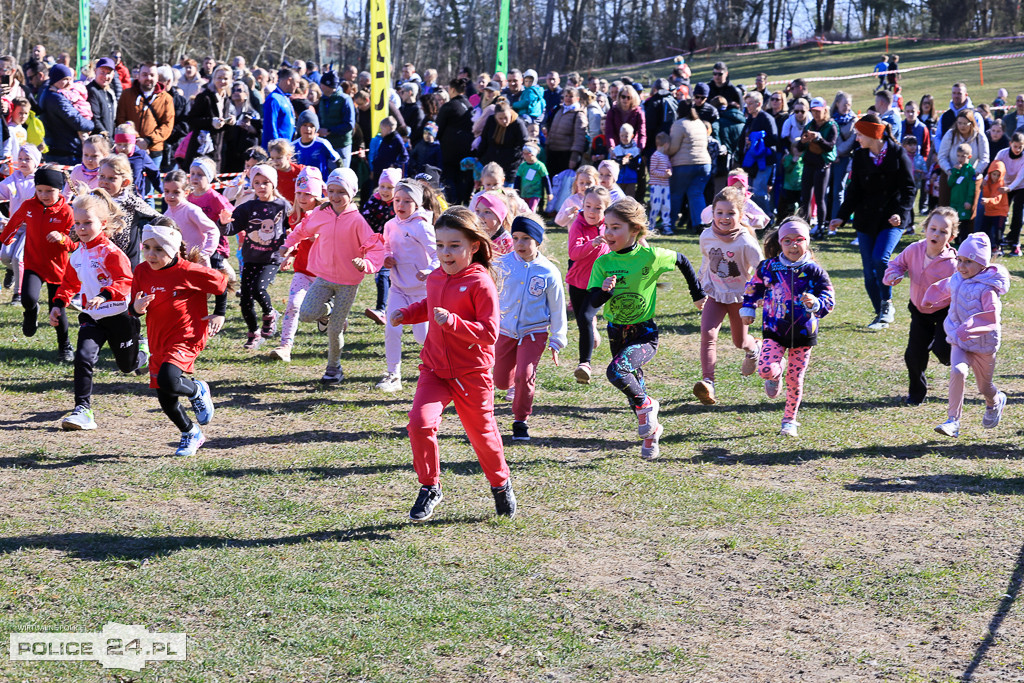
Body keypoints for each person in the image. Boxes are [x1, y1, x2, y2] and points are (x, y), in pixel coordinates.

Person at [391, 206, 517, 521]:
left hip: (471, 374)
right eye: (440, 245)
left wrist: (454, 323)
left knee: (482, 436)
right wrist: (406, 314)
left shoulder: (480, 282)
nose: (445, 253)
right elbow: (431, 305)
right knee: (419, 423)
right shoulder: (436, 277)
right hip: (434, 369)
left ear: (473, 246)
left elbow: (489, 333)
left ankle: (500, 485)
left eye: (454, 246)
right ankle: (429, 486)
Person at [586, 197, 705, 459]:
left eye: (616, 227)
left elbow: (683, 260)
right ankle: (652, 434)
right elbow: (592, 302)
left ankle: (648, 405)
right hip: (616, 331)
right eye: (606, 227)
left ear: (635, 230)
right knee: (633, 388)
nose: (608, 232)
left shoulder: (651, 256)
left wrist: (697, 293)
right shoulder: (602, 263)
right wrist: (604, 292)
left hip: (644, 333)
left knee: (617, 372)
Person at [51, 188, 148, 430]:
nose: (81, 228)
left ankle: (143, 352)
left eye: (88, 223)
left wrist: (103, 295)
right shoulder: (77, 254)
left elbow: (125, 280)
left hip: (119, 316)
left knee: (128, 366)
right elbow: (69, 283)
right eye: (78, 223)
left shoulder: (111, 252)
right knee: (83, 358)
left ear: (103, 224)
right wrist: (58, 304)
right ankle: (83, 410)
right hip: (92, 318)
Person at [131, 220, 227, 456]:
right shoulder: (142, 271)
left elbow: (221, 283)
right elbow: (133, 308)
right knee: (166, 397)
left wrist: (220, 314)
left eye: (159, 249)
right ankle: (190, 432)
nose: (151, 255)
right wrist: (137, 307)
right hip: (158, 339)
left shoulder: (187, 271)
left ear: (172, 250)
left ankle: (197, 390)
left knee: (169, 379)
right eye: (147, 247)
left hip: (187, 335)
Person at [279, 168, 384, 383]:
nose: (335, 197)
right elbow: (302, 229)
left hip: (348, 283)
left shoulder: (357, 221)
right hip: (324, 277)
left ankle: (334, 369)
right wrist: (288, 244)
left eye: (341, 192)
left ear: (352, 193)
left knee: (335, 330)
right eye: (332, 191)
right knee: (307, 314)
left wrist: (366, 264)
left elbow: (375, 247)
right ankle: (328, 310)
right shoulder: (321, 213)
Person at [740, 218, 835, 437]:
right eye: (788, 240)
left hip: (804, 334)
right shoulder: (769, 267)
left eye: (799, 240)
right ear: (780, 242)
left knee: (795, 379)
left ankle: (789, 420)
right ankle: (776, 371)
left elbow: (829, 299)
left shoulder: (814, 271)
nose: (794, 245)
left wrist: (816, 303)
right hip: (774, 331)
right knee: (766, 370)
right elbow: (752, 288)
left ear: (807, 242)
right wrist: (748, 308)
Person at [830, 114, 915, 331]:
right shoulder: (859, 156)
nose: (857, 139)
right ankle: (881, 313)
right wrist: (841, 215)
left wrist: (900, 212)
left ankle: (887, 305)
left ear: (872, 134)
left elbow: (908, 189)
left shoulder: (897, 153)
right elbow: (854, 191)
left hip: (891, 219)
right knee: (869, 274)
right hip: (866, 220)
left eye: (859, 134)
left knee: (881, 258)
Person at [493, 215, 567, 441]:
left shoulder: (548, 271)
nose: (520, 244)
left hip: (533, 332)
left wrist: (557, 338)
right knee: (500, 381)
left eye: (526, 239)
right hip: (504, 330)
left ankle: (520, 420)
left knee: (525, 376)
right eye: (515, 238)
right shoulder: (501, 265)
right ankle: (512, 377)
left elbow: (557, 307)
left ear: (538, 241)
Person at [927, 233, 1008, 438]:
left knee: (984, 387)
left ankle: (995, 401)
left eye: (968, 262)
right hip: (959, 339)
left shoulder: (988, 289)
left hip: (983, 345)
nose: (962, 266)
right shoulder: (957, 278)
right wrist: (929, 297)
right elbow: (944, 287)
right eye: (960, 260)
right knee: (958, 371)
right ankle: (952, 421)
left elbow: (991, 318)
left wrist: (971, 326)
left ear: (982, 264)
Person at [692, 187, 764, 406]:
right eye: (720, 212)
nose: (724, 217)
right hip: (715, 294)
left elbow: (762, 270)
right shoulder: (706, 236)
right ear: (713, 213)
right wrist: (702, 286)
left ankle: (754, 350)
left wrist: (759, 294)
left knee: (739, 341)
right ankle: (708, 383)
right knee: (707, 333)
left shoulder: (745, 242)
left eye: (730, 213)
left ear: (741, 217)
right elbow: (706, 262)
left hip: (740, 298)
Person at [883, 207, 957, 406]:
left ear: (951, 236)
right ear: (925, 229)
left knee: (942, 350)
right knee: (913, 354)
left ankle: (949, 353)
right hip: (919, 310)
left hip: (944, 312)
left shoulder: (953, 263)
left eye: (943, 231)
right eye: (933, 228)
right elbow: (897, 264)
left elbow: (961, 286)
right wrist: (892, 275)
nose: (937, 234)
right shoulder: (914, 249)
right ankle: (916, 393)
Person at [0, 166, 75, 361]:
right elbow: (14, 222)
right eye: (40, 190)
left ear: (60, 190)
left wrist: (62, 238)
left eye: (49, 191)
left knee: (57, 310)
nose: (44, 195)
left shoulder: (67, 211)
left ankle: (64, 347)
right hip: (34, 264)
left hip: (58, 268)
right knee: (28, 298)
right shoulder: (29, 205)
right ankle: (31, 313)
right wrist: (5, 239)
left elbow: (75, 242)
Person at [376, 179, 438, 392]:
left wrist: (429, 271)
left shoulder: (422, 226)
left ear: (418, 204)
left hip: (421, 293)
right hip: (398, 288)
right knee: (392, 328)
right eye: (397, 200)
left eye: (407, 201)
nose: (400, 205)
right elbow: (386, 245)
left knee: (422, 337)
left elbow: (437, 254)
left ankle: (441, 367)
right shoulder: (390, 225)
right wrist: (387, 257)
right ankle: (394, 375)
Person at [220, 163, 290, 350]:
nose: (260, 186)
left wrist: (291, 251)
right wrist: (224, 223)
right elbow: (232, 228)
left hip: (271, 258)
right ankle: (254, 333)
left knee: (259, 288)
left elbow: (292, 229)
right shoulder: (248, 207)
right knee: (245, 300)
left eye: (265, 182)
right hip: (250, 257)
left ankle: (270, 313)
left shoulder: (283, 206)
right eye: (256, 182)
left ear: (273, 184)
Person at [271, 169, 327, 362]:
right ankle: (285, 346)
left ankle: (327, 313)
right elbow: (296, 239)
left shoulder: (327, 215)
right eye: (299, 193)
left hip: (325, 275)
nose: (302, 198)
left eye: (308, 194)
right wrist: (290, 254)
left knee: (328, 315)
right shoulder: (294, 216)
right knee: (294, 306)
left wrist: (318, 237)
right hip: (303, 271)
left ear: (317, 195)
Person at [566, 186, 611, 383]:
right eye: (588, 206)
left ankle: (584, 365)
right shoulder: (578, 225)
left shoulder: (610, 226)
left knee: (585, 317)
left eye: (598, 208)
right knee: (583, 320)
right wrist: (591, 244)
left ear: (606, 210)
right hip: (577, 282)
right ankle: (593, 330)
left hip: (599, 284)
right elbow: (573, 254)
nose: (592, 212)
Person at [0, 144, 42, 303]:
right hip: (14, 225)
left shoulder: (40, 180)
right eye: (20, 159)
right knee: (4, 256)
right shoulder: (14, 177)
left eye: (28, 159)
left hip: (32, 227)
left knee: (19, 258)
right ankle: (11, 271)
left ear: (36, 162)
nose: (23, 162)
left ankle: (18, 294)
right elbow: (2, 191)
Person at [360, 167, 401, 324]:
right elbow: (363, 221)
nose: (385, 191)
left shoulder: (399, 202)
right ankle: (383, 309)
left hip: (397, 245)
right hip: (379, 246)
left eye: (390, 187)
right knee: (383, 276)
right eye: (383, 186)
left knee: (387, 277)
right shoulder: (374, 200)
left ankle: (383, 309)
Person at [115, 63, 174, 168]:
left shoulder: (166, 98)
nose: (148, 78)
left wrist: (148, 141)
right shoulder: (127, 95)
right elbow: (121, 119)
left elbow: (167, 125)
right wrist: (135, 140)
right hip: (128, 149)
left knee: (150, 183)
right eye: (145, 74)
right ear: (139, 76)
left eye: (152, 75)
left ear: (157, 77)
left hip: (154, 150)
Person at [666, 99, 712, 232]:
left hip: (683, 165)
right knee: (696, 193)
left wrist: (665, 153)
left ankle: (670, 223)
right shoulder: (700, 123)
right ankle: (700, 223)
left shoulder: (679, 124)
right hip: (704, 163)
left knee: (676, 194)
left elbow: (674, 147)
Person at [796, 97, 837, 237]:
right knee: (805, 196)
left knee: (820, 197)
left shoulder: (831, 125)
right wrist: (803, 141)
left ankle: (820, 226)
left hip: (822, 164)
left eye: (818, 111)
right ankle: (804, 226)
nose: (815, 114)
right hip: (809, 163)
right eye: (813, 111)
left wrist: (818, 138)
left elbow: (830, 146)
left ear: (825, 110)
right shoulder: (809, 125)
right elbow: (800, 147)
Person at [39, 64, 96, 164]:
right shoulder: (56, 98)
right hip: (65, 152)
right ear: (56, 79)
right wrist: (91, 125)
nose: (69, 83)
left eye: (70, 79)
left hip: (62, 150)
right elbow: (77, 122)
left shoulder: (53, 93)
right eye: (65, 79)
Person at [162, 170, 219, 267]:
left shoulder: (191, 210)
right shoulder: (166, 214)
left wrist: (205, 253)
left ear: (186, 192)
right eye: (167, 191)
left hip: (197, 264)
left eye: (176, 192)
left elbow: (213, 230)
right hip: (177, 264)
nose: (170, 196)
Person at [436, 78, 474, 204]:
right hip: (467, 149)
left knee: (450, 178)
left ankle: (453, 204)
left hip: (450, 150)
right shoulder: (469, 105)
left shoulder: (449, 106)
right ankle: (462, 202)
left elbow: (438, 128)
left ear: (452, 89)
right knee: (463, 178)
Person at [740, 92, 778, 214]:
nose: (748, 106)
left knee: (759, 191)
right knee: (751, 192)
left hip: (764, 161)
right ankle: (756, 220)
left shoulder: (766, 118)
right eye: (747, 104)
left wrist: (756, 141)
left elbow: (774, 138)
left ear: (759, 103)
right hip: (751, 162)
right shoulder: (750, 119)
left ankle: (768, 218)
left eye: (750, 103)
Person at [477, 100, 529, 182]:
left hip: (511, 165)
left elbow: (524, 143)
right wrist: (478, 156)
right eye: (500, 118)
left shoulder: (518, 124)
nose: (504, 121)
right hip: (492, 162)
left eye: (506, 117)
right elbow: (484, 140)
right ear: (495, 117)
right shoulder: (491, 121)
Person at [545, 86, 587, 177]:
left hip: (566, 155)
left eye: (571, 96)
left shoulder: (578, 114)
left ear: (577, 98)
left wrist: (574, 157)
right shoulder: (559, 110)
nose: (568, 98)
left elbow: (579, 138)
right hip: (553, 152)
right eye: (566, 96)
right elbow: (551, 130)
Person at [993, 132, 1024, 255]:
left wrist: (1010, 188)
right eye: (1015, 146)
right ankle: (998, 242)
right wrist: (987, 181)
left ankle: (1015, 242)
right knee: (1001, 213)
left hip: (1020, 186)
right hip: (1004, 185)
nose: (1017, 149)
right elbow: (994, 168)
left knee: (1018, 212)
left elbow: (1021, 176)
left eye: (1020, 147)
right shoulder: (1002, 154)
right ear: (1010, 144)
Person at [949, 143, 980, 237]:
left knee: (963, 223)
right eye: (958, 156)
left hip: (964, 202)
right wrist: (955, 172)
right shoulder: (956, 169)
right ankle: (955, 240)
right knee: (954, 221)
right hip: (954, 201)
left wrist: (968, 201)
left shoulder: (970, 171)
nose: (960, 158)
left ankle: (963, 242)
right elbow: (950, 183)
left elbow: (971, 188)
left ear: (969, 156)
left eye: (963, 156)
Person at [262, 67, 297, 148]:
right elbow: (270, 127)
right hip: (277, 151)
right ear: (289, 80)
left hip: (286, 148)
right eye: (297, 82)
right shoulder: (274, 99)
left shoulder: (285, 97)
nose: (298, 86)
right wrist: (276, 148)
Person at [647, 133, 673, 234]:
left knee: (666, 206)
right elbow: (652, 170)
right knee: (656, 206)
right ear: (666, 144)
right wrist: (663, 174)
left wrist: (669, 172)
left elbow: (669, 167)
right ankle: (651, 226)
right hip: (656, 185)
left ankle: (666, 225)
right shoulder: (655, 156)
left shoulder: (666, 157)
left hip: (665, 185)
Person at [980, 160, 1009, 249]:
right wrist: (984, 187)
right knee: (984, 230)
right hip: (989, 211)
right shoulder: (987, 182)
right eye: (994, 174)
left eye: (998, 175)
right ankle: (984, 247)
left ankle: (999, 247)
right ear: (990, 173)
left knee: (998, 231)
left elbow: (997, 199)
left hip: (1000, 212)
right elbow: (987, 194)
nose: (995, 177)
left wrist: (987, 201)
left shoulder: (1001, 184)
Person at [86, 57, 118, 135]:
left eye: (108, 73)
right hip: (97, 141)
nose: (105, 76)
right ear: (95, 71)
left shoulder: (108, 92)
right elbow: (95, 119)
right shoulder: (92, 90)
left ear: (113, 75)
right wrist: (106, 137)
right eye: (102, 72)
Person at [611, 124, 642, 198]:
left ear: (632, 136)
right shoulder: (617, 149)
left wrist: (629, 162)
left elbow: (637, 165)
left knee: (629, 198)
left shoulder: (635, 150)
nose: (624, 138)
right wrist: (620, 162)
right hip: (618, 179)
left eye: (626, 136)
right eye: (622, 136)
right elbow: (613, 165)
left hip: (631, 179)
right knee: (618, 197)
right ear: (619, 135)